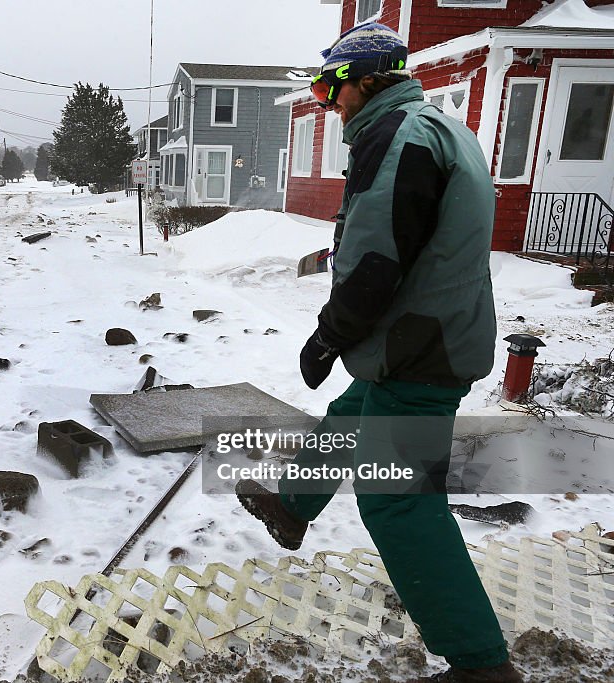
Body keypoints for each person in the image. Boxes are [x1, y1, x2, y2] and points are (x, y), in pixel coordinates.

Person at [236, 23, 522, 683]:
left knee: (396, 499)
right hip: (426, 335)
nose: (329, 101)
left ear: (367, 80)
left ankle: (482, 664)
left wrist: (328, 334)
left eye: (333, 86)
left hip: (420, 346)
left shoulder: (396, 140)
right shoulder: (434, 129)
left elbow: (376, 260)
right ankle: (292, 505)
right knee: (352, 409)